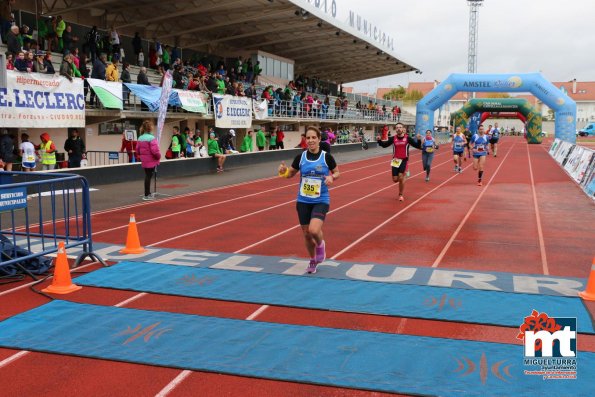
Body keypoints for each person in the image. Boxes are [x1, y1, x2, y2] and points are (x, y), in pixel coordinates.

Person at [277, 126, 340, 274]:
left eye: (313, 138)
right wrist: (282, 172)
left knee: (314, 230)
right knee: (306, 233)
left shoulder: (326, 157)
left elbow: (337, 172)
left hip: (321, 199)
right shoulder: (301, 157)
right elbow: (290, 174)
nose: (311, 140)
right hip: (303, 200)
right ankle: (313, 260)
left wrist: (332, 177)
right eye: (308, 138)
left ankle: (320, 244)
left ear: (319, 139)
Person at [377, 123, 422, 201]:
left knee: (400, 177)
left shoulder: (407, 138)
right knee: (395, 179)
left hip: (404, 160)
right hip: (395, 160)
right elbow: (384, 145)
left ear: (402, 128)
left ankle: (400, 194)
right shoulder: (393, 138)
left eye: (400, 127)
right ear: (395, 129)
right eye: (397, 127)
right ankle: (403, 178)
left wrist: (418, 140)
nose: (398, 129)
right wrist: (379, 140)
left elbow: (417, 146)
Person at [136, 120, 161, 201]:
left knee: (147, 176)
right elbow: (155, 151)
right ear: (150, 128)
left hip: (144, 160)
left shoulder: (140, 138)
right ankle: (147, 194)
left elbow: (137, 150)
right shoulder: (151, 138)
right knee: (148, 176)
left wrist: (141, 156)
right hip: (151, 160)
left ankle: (147, 193)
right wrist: (158, 157)